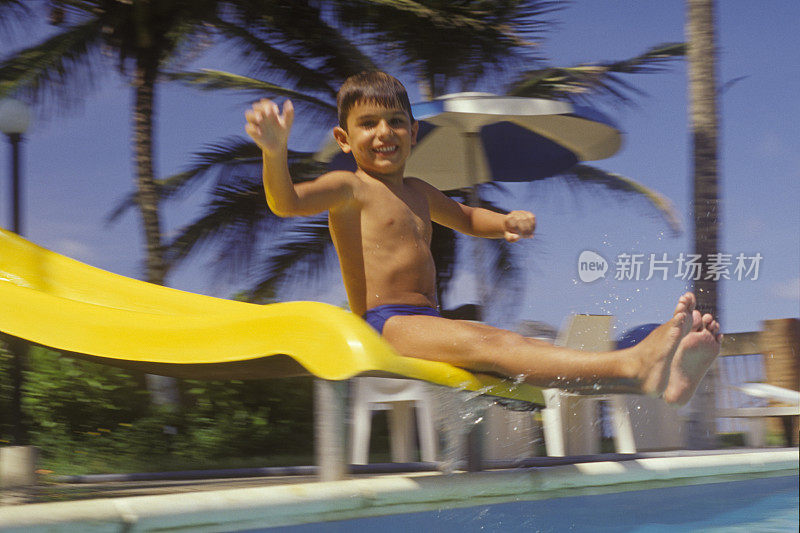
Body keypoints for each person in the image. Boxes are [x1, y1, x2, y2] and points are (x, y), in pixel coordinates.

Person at [245, 70, 721, 405]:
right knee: (499, 349)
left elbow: (469, 218)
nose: (383, 132)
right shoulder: (350, 187)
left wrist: (505, 222)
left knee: (514, 349)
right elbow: (286, 202)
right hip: (385, 322)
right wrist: (274, 152)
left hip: (424, 319)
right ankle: (632, 365)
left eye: (394, 122)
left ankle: (660, 382)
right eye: (367, 124)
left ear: (413, 132)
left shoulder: (418, 191)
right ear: (344, 139)